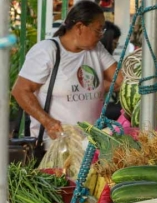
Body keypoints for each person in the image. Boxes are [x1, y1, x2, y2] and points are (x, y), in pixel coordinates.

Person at [11, 1, 122, 144]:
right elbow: (20, 91)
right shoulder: (47, 51)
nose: (101, 35)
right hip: (56, 145)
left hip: (90, 145)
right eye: (98, 30)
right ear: (80, 27)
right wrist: (48, 121)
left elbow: (120, 79)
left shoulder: (96, 49)